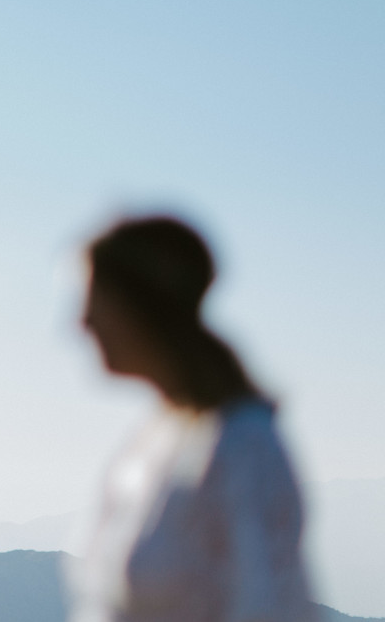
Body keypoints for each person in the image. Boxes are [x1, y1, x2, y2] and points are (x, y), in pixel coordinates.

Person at [69, 215, 316, 622]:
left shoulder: (241, 444)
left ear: (142, 304)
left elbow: (271, 608)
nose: (83, 322)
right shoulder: (157, 439)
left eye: (95, 299)